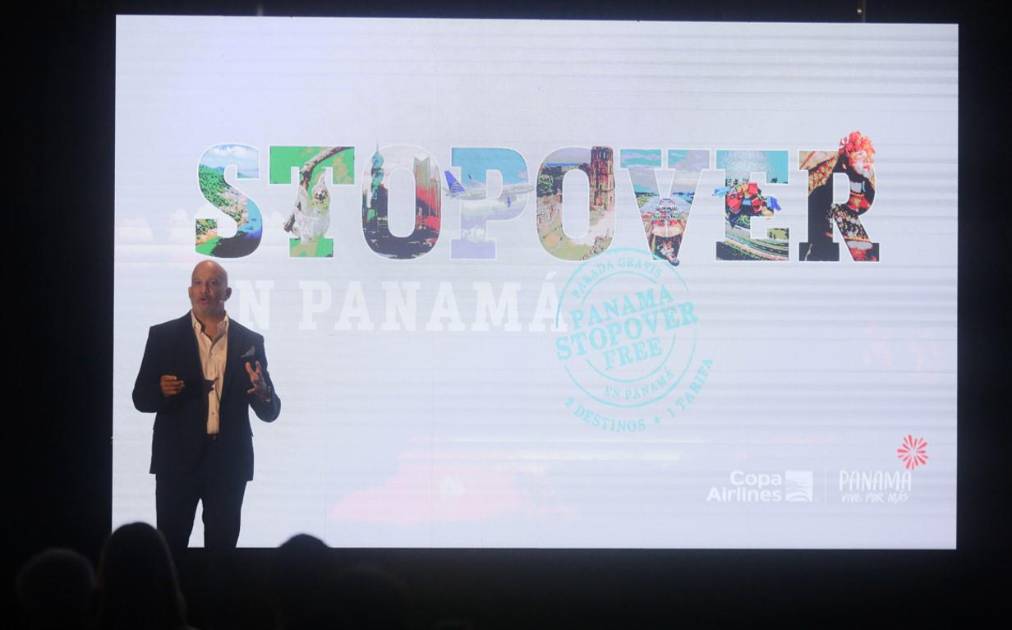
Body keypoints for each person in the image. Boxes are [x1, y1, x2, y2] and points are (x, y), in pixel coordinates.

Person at [132, 260, 280, 557]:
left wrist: (263, 393)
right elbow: (140, 398)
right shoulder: (163, 336)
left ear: (227, 292)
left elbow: (270, 411)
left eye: (213, 283)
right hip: (176, 464)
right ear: (189, 291)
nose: (205, 290)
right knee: (171, 552)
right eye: (198, 283)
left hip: (228, 464)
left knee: (222, 556)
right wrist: (160, 390)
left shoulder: (250, 342)